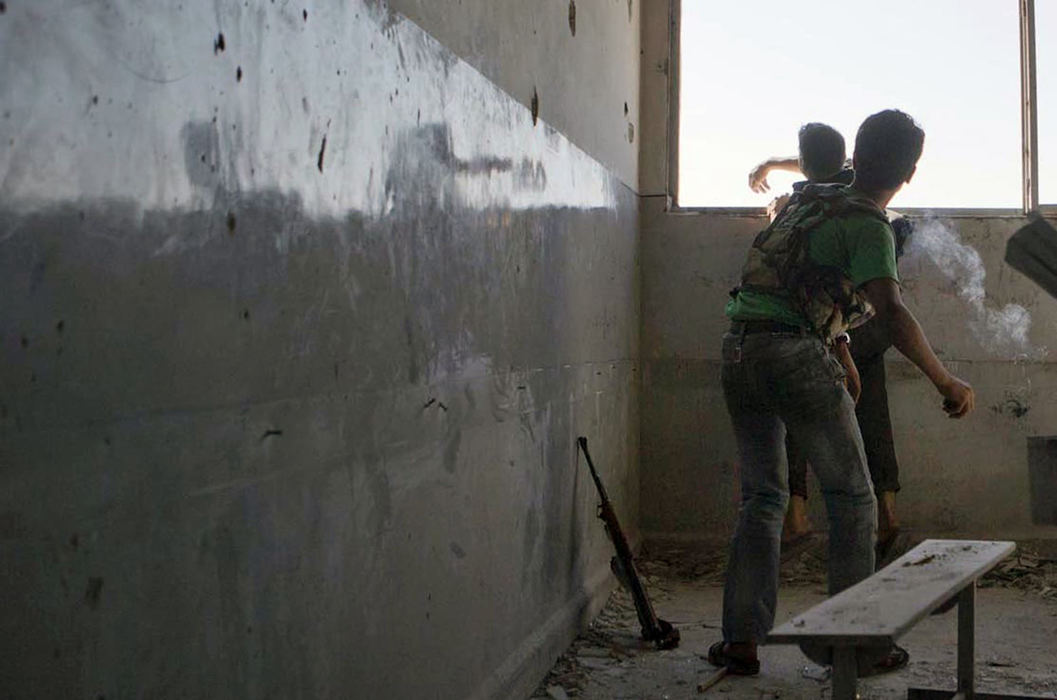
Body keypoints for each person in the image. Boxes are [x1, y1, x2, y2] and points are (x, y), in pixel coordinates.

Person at [708, 109, 975, 677]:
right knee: (854, 500)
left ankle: (741, 642)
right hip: (794, 357)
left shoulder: (811, 198)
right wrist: (945, 380)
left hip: (739, 348)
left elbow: (802, 283)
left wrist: (844, 353)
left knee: (762, 498)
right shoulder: (870, 223)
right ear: (909, 173)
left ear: (856, 153)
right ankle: (854, 647)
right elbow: (892, 312)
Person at [749, 125, 911, 560]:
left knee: (799, 407)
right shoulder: (860, 189)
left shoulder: (801, 204)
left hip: (829, 323)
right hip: (871, 322)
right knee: (873, 409)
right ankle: (889, 508)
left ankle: (797, 512)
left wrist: (770, 176)